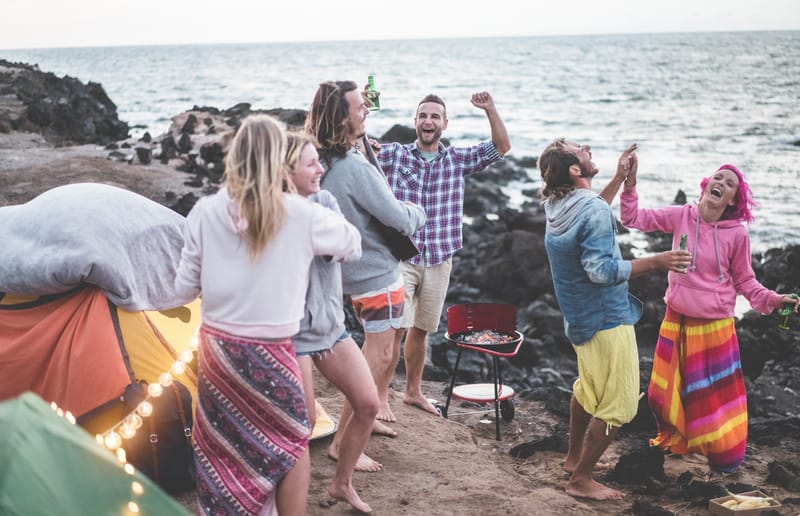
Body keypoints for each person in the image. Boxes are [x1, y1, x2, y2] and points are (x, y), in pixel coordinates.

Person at [173, 115, 361, 516]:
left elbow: (184, 288)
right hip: (272, 352)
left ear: (235, 157)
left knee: (221, 445)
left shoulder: (205, 211)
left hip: (218, 354)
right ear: (279, 163)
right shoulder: (299, 213)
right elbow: (352, 243)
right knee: (291, 440)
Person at [617, 161, 800, 481]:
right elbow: (632, 218)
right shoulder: (681, 216)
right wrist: (629, 184)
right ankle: (679, 442)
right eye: (718, 178)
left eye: (730, 184)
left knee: (713, 401)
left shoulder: (737, 234)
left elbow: (745, 280)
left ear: (732, 200)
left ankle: (723, 457)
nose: (722, 183)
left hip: (714, 327)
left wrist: (773, 299)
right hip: (676, 320)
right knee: (663, 394)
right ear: (706, 185)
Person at [538, 138, 690, 501]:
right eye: (580, 149)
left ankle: (573, 458)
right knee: (620, 403)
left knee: (588, 387)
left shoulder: (557, 204)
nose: (588, 147)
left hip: (579, 318)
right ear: (575, 170)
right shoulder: (589, 208)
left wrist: (620, 179)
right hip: (606, 318)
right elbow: (602, 271)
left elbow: (591, 211)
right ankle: (581, 479)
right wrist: (657, 261)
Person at [374, 91, 511, 416]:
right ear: (415, 121)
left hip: (439, 259)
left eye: (435, 116)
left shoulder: (457, 160)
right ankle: (380, 397)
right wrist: (365, 113)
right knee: (396, 330)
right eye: (423, 116)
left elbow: (501, 146)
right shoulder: (395, 155)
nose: (428, 121)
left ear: (445, 124)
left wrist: (490, 109)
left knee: (421, 330)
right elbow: (358, 149)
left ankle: (413, 392)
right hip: (402, 257)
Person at [305, 81, 426, 438]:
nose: (366, 111)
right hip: (375, 275)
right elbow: (400, 219)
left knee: (367, 352)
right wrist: (418, 211)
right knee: (379, 357)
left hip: (337, 274)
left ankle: (361, 420)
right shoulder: (354, 168)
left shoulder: (314, 162)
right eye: (359, 107)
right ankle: (344, 440)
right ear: (342, 118)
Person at [286, 131, 378, 513]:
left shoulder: (324, 200)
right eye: (311, 164)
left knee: (368, 404)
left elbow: (346, 246)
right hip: (292, 335)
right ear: (286, 170)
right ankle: (282, 498)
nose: (320, 169)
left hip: (331, 326)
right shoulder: (271, 213)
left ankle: (341, 484)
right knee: (303, 422)